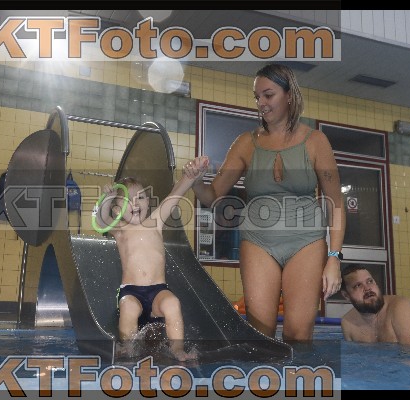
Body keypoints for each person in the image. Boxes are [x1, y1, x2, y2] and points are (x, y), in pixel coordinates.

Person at [184, 63, 345, 342]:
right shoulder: (245, 143)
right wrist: (196, 181)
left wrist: (334, 257)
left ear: (289, 95)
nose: (261, 103)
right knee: (260, 335)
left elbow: (336, 204)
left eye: (268, 95)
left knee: (298, 334)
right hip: (258, 241)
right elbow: (212, 197)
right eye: (257, 97)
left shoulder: (316, 142)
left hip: (306, 241)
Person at [95, 161, 208, 361]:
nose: (135, 203)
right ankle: (127, 347)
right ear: (117, 211)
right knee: (128, 307)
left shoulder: (155, 222)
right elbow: (100, 221)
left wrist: (190, 176)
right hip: (132, 291)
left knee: (172, 303)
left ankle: (177, 349)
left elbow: (174, 195)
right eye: (127, 200)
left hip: (158, 290)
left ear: (148, 201)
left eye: (140, 197)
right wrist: (107, 199)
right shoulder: (120, 229)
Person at [340, 265, 410, 344]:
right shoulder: (348, 324)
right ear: (346, 295)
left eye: (370, 281)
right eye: (358, 285)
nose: (367, 288)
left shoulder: (402, 307)